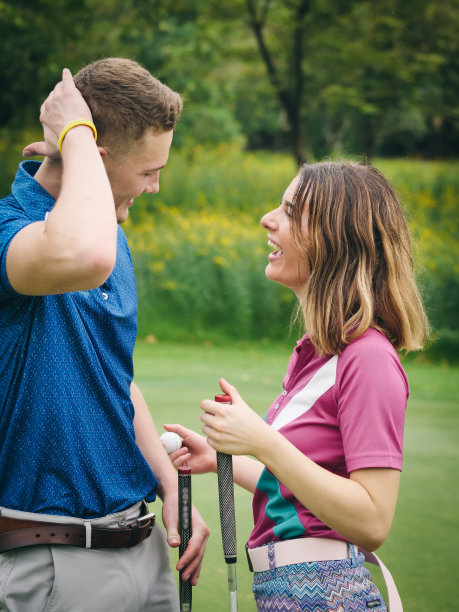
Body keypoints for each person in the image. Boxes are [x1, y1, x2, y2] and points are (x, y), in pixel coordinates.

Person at [166, 161, 428, 611]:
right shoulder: (317, 355)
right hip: (287, 593)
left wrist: (262, 442)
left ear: (332, 240)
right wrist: (221, 460)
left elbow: (372, 519)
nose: (268, 219)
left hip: (327, 595)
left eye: (289, 212)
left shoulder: (368, 358)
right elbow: (301, 490)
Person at [0, 58, 209, 612]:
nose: (156, 186)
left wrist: (167, 485)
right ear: (94, 158)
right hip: (50, 559)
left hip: (143, 546)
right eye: (147, 171)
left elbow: (114, 379)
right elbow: (83, 254)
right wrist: (74, 137)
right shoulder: (11, 231)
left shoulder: (113, 242)